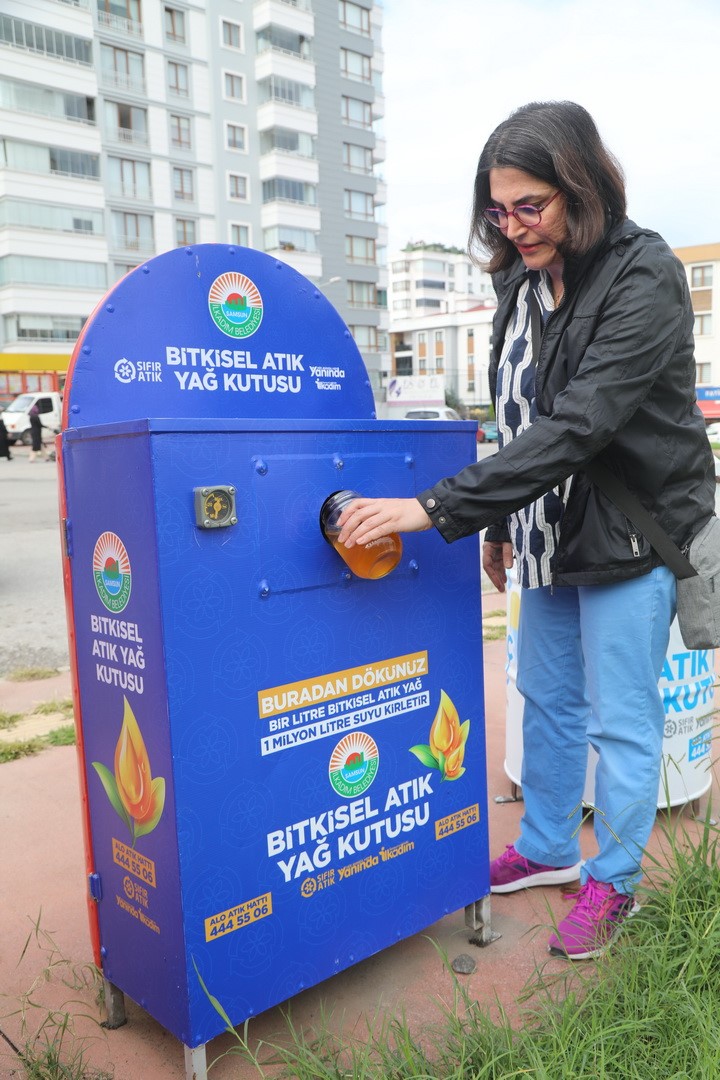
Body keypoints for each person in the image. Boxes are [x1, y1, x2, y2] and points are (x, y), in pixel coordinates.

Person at [337, 101, 715, 961]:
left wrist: (433, 511)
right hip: (546, 529)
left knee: (621, 719)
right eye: (497, 212)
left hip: (629, 532)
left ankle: (615, 880)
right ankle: (547, 844)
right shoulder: (519, 279)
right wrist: (500, 528)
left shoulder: (642, 272)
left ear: (580, 188)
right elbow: (516, 419)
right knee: (546, 700)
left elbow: (582, 425)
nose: (512, 228)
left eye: (530, 207)